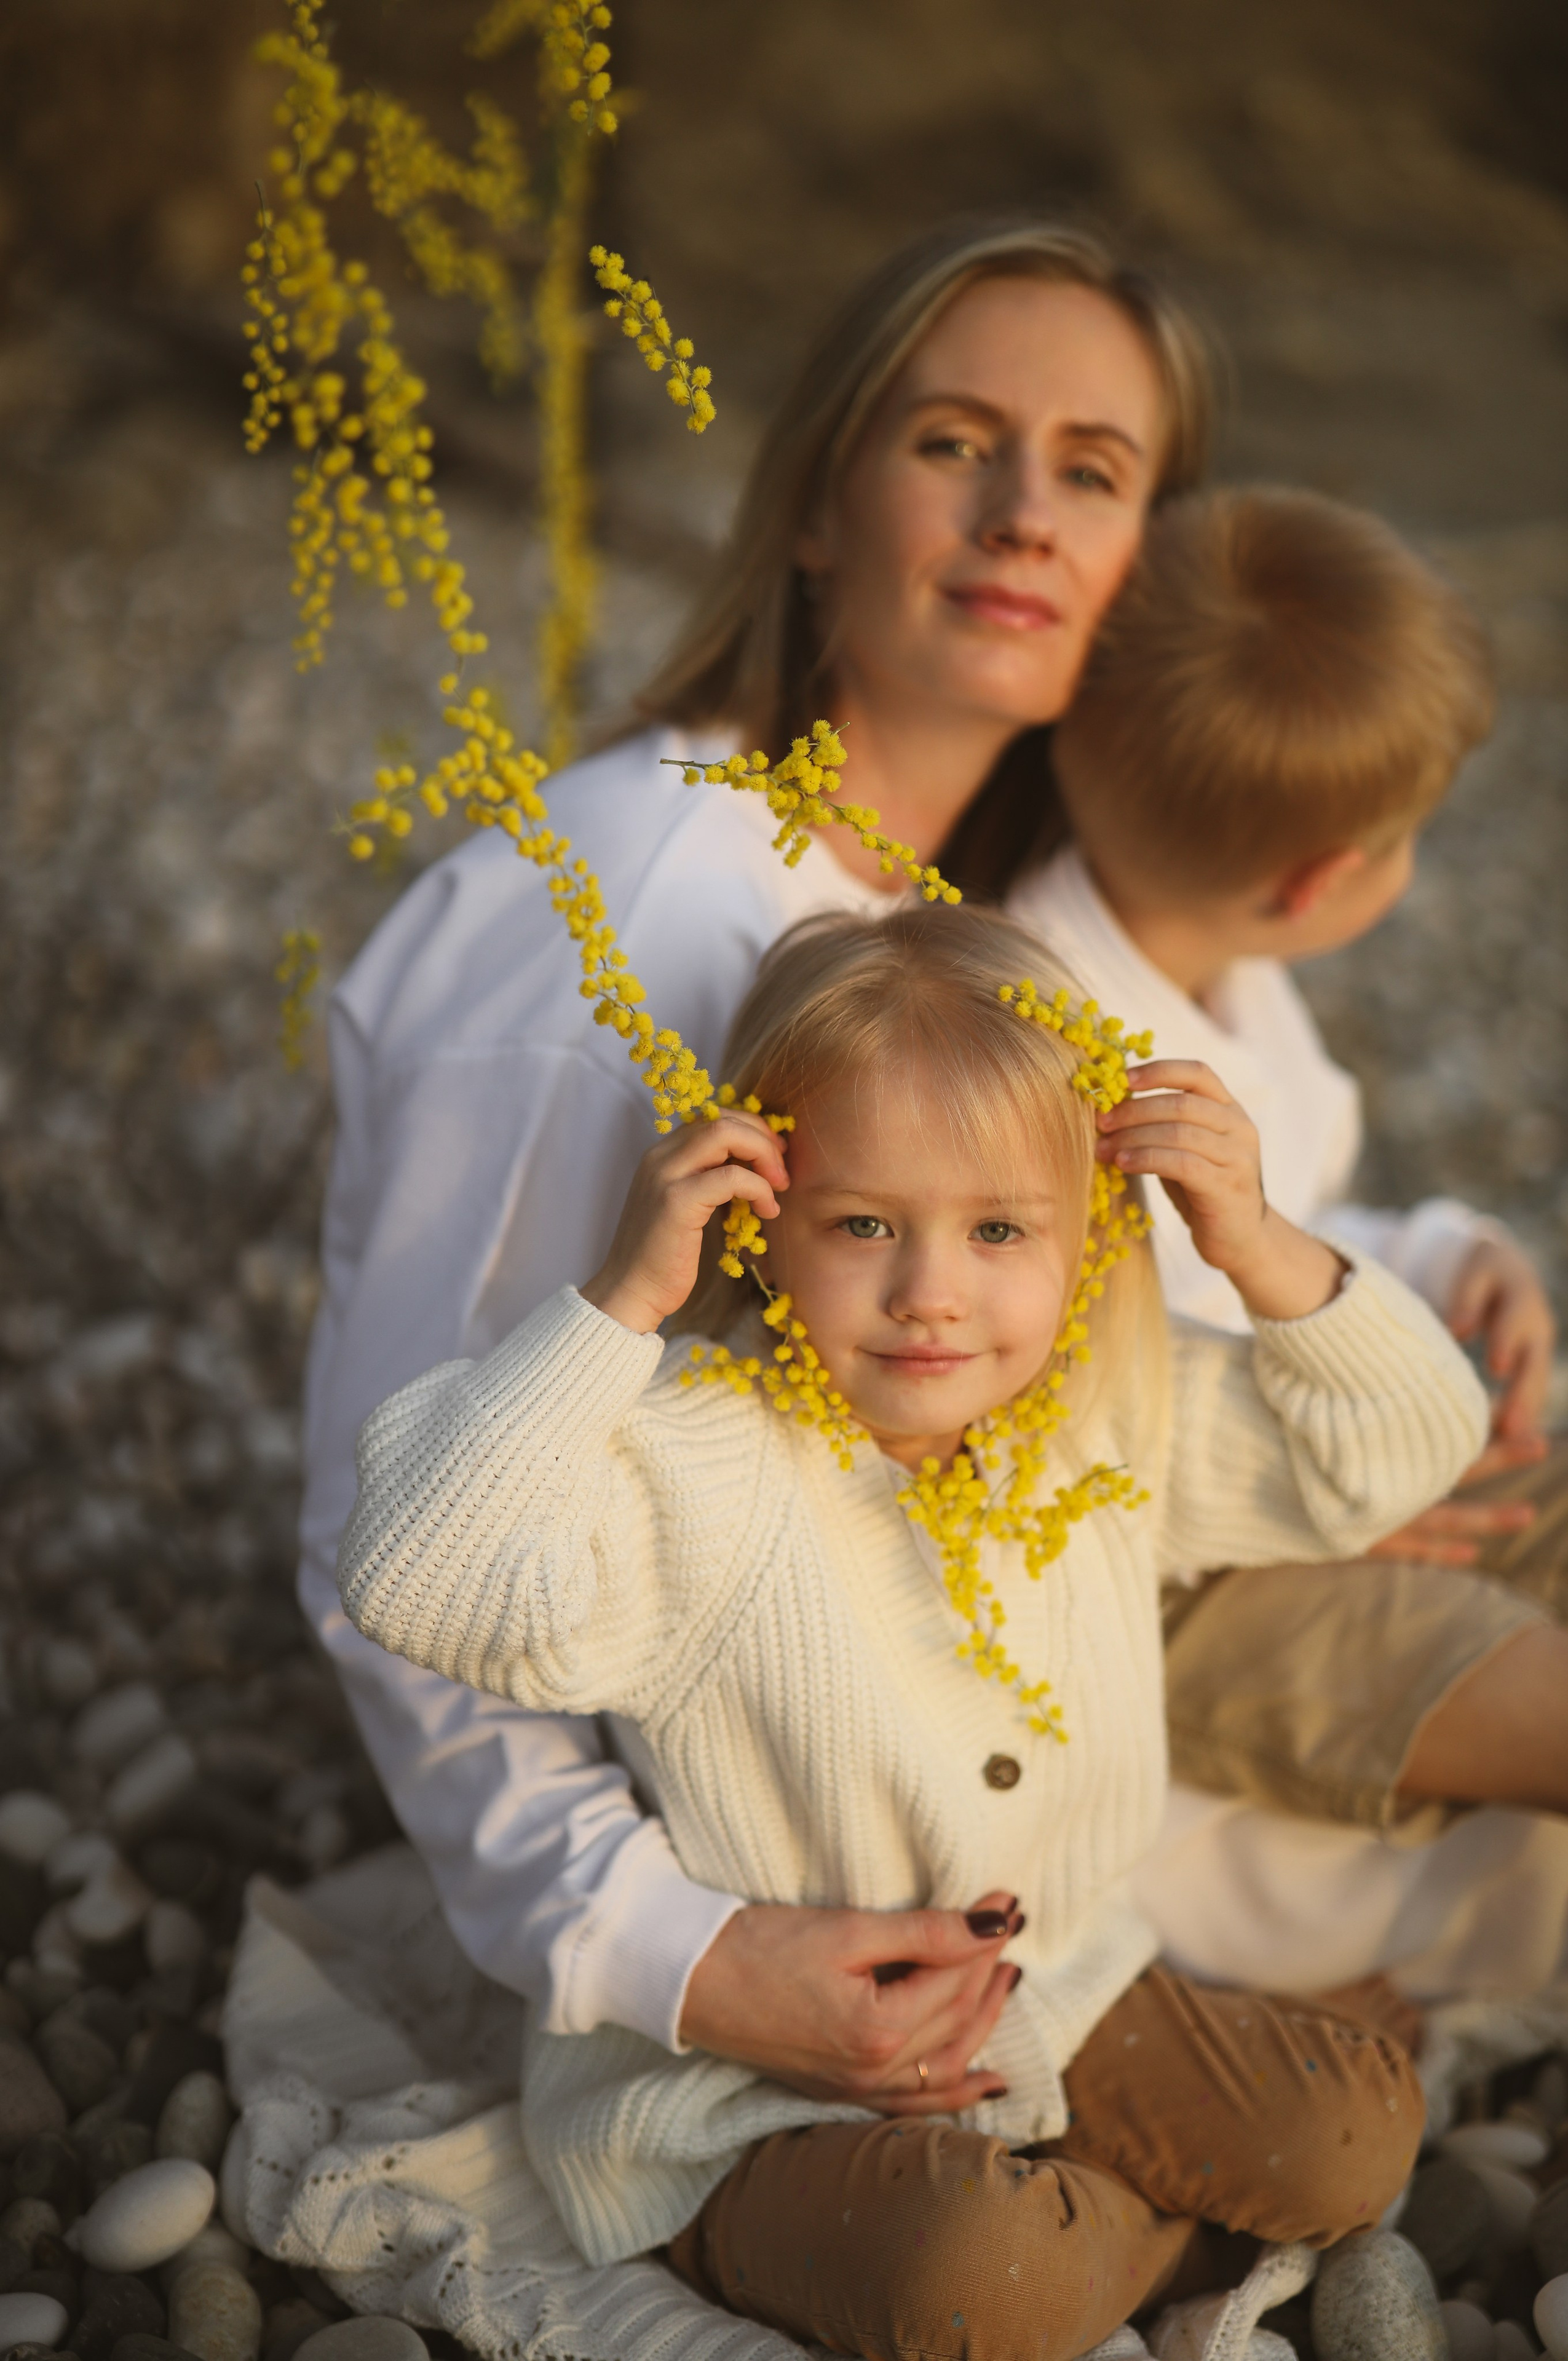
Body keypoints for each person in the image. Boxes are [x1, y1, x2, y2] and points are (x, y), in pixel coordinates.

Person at [299, 215, 1218, 2110]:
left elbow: (1171, 1224)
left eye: (1096, 471)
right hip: (768, 1804)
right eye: (957, 442)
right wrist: (686, 1959)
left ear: (1141, 566)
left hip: (1036, 1705)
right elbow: (382, 1531)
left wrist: (1439, 1259)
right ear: (816, 505)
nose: (1027, 514)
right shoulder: (620, 927)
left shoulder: (987, 904)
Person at [333, 901, 1486, 2357]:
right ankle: (1058, 2239)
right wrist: (622, 1301)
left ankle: (1067, 2227)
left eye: (999, 1229)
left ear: (1086, 1234)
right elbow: (413, 1573)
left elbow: (1405, 1449)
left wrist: (1255, 1248)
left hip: (1055, 1991)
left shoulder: (1103, 1414)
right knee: (982, 2282)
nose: (930, 1292)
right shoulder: (702, 1462)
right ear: (759, 1217)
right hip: (751, 2098)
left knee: (1356, 2136)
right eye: (862, 1223)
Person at [1007, 486, 1568, 1983]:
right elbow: (1060, 1416)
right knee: (1532, 1698)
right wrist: (1334, 1491)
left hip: (1331, 1465)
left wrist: (1445, 1252)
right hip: (1169, 1597)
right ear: (1322, 882)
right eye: (1404, 842)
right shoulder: (1036, 1056)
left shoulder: (1219, 980)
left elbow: (1290, 1222)